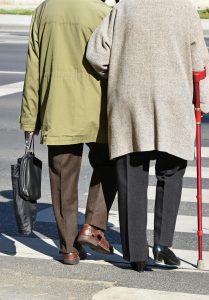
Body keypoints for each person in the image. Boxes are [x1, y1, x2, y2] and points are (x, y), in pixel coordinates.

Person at [86, 0, 209, 272]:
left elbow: (96, 54)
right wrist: (202, 102)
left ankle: (136, 254)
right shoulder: (185, 9)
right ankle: (162, 243)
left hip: (130, 99)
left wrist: (118, 73)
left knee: (132, 172)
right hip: (172, 99)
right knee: (172, 169)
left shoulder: (124, 8)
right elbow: (199, 62)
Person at [20, 0, 117, 265]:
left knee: (63, 177)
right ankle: (93, 226)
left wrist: (30, 118)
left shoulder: (44, 10)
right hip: (97, 108)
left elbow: (34, 70)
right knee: (109, 163)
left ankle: (69, 249)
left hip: (58, 106)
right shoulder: (104, 12)